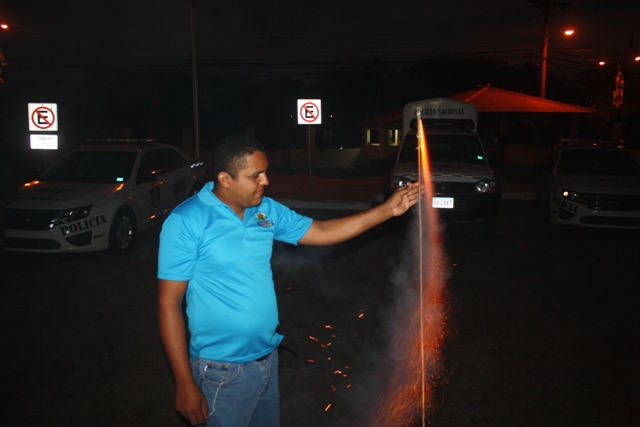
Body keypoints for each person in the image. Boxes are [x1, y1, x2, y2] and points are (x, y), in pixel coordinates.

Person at [157, 134, 419, 427]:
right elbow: (169, 303)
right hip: (222, 371)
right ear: (225, 179)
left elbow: (321, 231)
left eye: (266, 172)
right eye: (255, 175)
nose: (266, 181)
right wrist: (184, 383)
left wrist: (387, 210)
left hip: (267, 360)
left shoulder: (266, 211)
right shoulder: (186, 221)